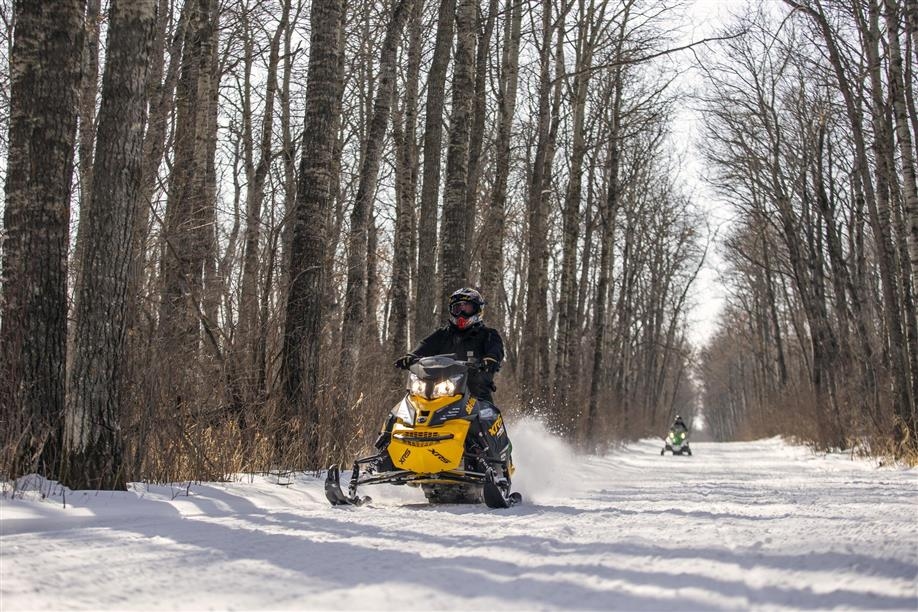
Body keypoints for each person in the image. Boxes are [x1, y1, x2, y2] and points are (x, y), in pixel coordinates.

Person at [376, 287, 510, 466]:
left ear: (477, 310)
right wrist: (411, 357)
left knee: (486, 415)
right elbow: (424, 347)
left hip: (475, 391)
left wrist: (490, 360)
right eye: (457, 308)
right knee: (399, 411)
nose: (461, 312)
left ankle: (494, 464)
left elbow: (496, 351)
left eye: (467, 308)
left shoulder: (488, 335)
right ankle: (383, 455)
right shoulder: (443, 335)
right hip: (440, 392)